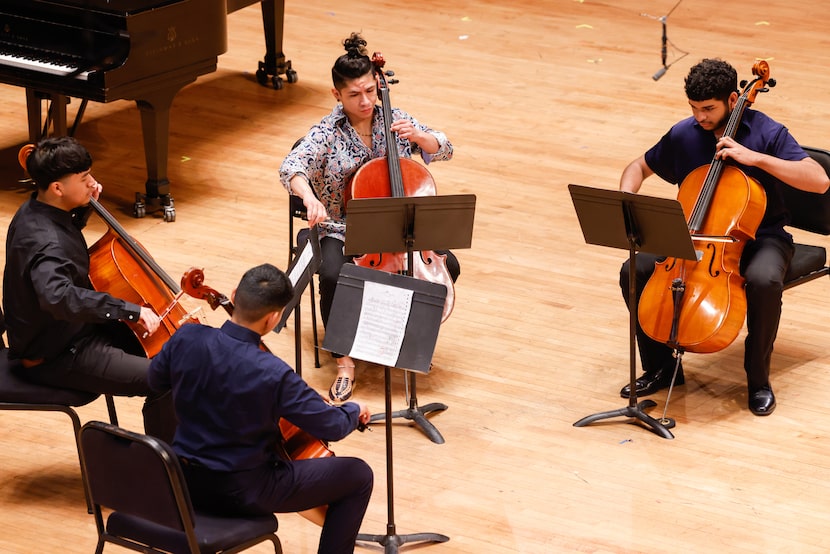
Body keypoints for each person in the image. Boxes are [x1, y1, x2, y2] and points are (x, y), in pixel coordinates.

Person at [617, 58, 830, 416]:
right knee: (633, 270)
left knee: (763, 280)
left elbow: (819, 180)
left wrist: (757, 159)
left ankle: (758, 379)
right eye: (694, 109)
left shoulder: (768, 133)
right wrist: (628, 199)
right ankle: (662, 368)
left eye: (708, 109)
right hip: (699, 237)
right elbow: (638, 166)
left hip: (762, 237)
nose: (700, 117)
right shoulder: (685, 134)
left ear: (734, 99)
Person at [279, 32, 459, 403]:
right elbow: (291, 167)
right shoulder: (326, 133)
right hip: (339, 227)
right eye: (354, 95)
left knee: (448, 265)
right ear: (337, 95)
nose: (365, 101)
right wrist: (309, 198)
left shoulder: (393, 118)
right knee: (333, 272)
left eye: (370, 92)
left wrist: (421, 137)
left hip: (397, 225)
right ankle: (344, 361)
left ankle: (399, 338)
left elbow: (445, 148)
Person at [148, 263, 373, 554]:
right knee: (357, 475)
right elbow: (331, 426)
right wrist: (354, 411)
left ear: (233, 295)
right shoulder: (273, 373)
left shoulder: (186, 338)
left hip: (183, 482)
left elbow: (154, 380)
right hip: (243, 491)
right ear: (273, 318)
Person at [3, 136, 176, 440]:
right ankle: (169, 475)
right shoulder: (46, 242)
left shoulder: (35, 209)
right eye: (84, 179)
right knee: (169, 377)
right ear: (57, 188)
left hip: (76, 331)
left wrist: (82, 208)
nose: (92, 183)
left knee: (180, 350)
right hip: (57, 355)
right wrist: (130, 310)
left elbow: (63, 245)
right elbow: (58, 296)